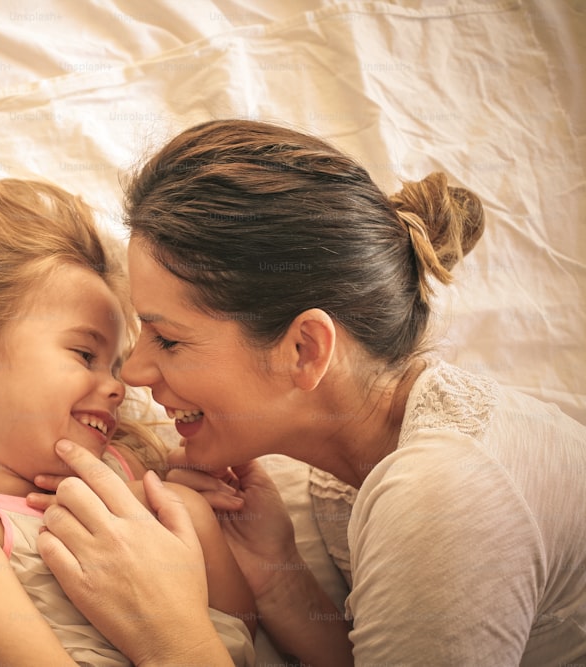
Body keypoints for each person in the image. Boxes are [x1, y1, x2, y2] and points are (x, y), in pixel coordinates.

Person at [30, 119, 586, 665]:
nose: (135, 373)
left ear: (305, 350)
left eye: (169, 339)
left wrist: (169, 636)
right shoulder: (340, 481)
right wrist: (277, 576)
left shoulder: (445, 496)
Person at [0, 178, 257, 666]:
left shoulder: (137, 489)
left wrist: (187, 513)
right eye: (85, 354)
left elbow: (242, 639)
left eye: (116, 367)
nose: (121, 387)